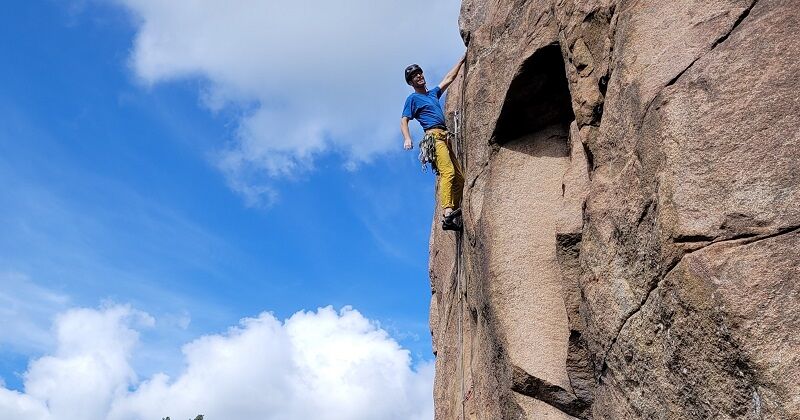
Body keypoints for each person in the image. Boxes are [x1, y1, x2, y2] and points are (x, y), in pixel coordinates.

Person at [401, 54, 466, 231]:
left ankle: (453, 213)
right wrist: (407, 138)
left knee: (460, 178)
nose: (419, 76)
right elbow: (404, 120)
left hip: (445, 138)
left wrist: (461, 61)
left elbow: (448, 79)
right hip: (434, 138)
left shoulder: (432, 94)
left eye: (420, 73)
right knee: (448, 172)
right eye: (415, 76)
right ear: (411, 82)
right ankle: (447, 213)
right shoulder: (413, 99)